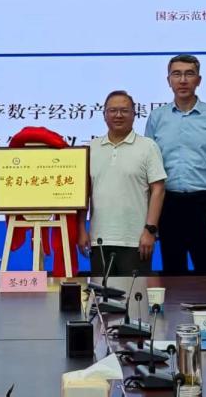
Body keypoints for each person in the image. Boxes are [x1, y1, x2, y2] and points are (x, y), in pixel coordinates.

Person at [144, 54, 206, 275]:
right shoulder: (157, 118)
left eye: (189, 74)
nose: (183, 80)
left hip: (205, 203)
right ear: (169, 80)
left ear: (198, 80)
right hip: (168, 203)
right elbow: (148, 167)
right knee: (173, 274)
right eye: (177, 74)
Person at [77, 90, 167, 276]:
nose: (118, 115)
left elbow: (158, 190)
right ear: (104, 115)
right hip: (99, 240)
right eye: (113, 110)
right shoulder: (91, 148)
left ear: (134, 114)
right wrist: (81, 230)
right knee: (101, 293)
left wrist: (150, 230)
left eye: (124, 111)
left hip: (136, 241)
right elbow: (83, 194)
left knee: (135, 293)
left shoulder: (148, 147)